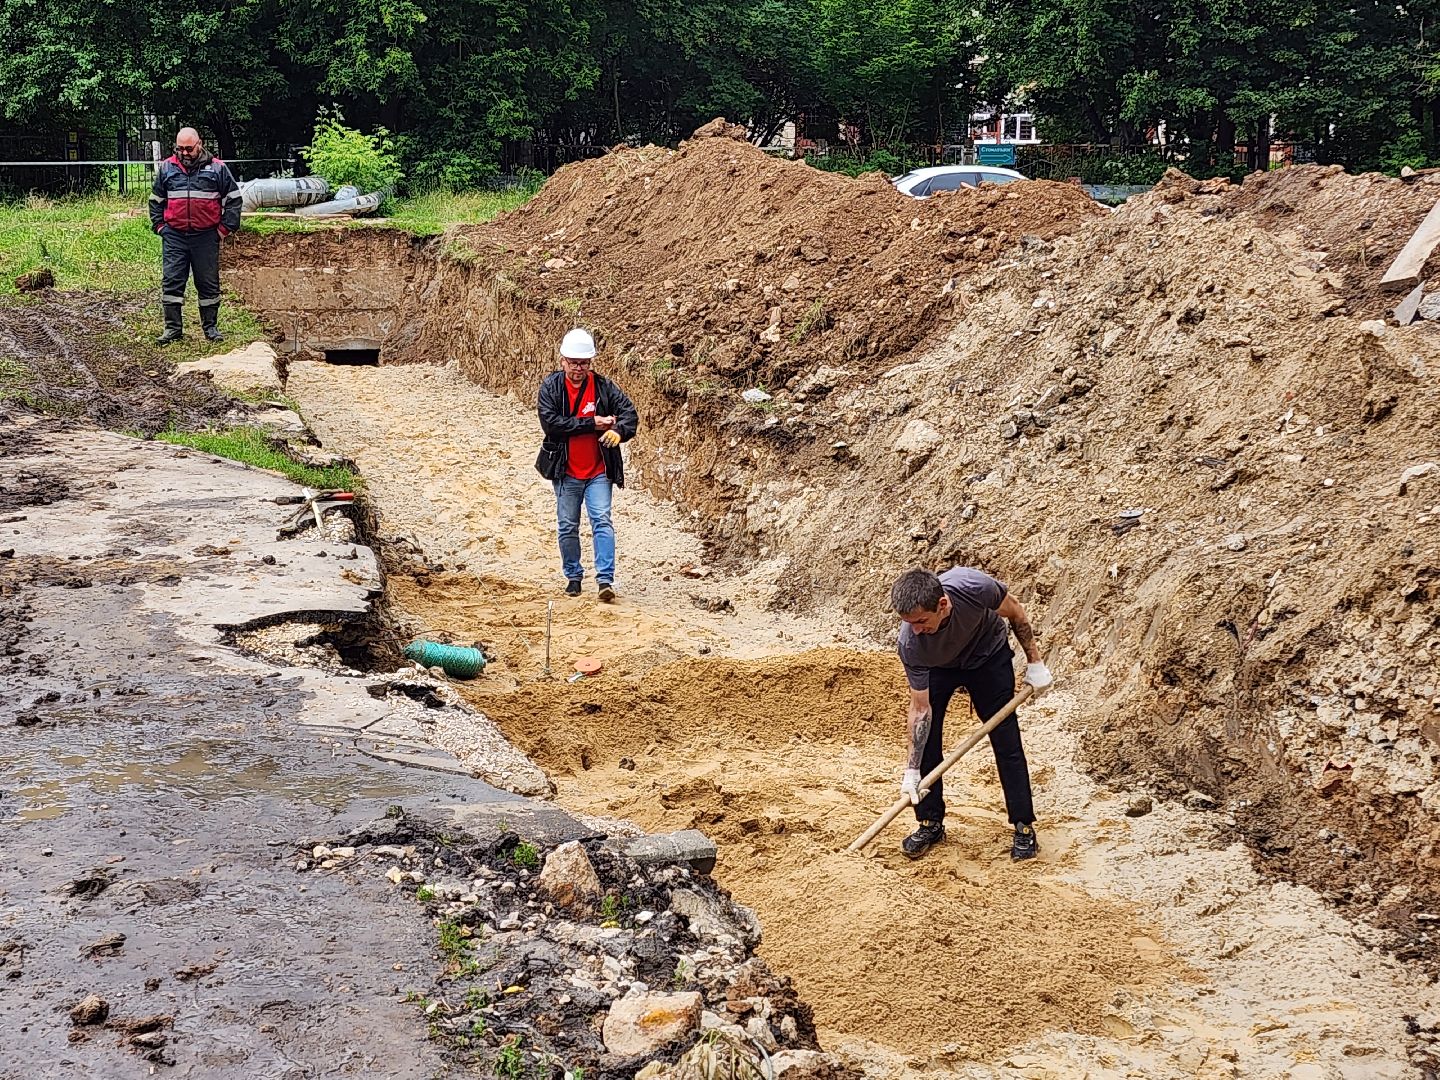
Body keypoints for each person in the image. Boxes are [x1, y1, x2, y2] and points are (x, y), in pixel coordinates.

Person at [890, 566, 1054, 861]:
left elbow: (1015, 610)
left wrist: (1035, 662)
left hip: (987, 656)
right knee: (926, 743)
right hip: (939, 667)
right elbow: (920, 708)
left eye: (920, 621)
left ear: (941, 605)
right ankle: (930, 823)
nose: (915, 628)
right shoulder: (911, 643)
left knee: (1007, 741)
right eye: (908, 623)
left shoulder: (972, 586)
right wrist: (912, 770)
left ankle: (1023, 825)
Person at [535, 328, 640, 599]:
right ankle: (573, 576)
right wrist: (591, 423)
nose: (578, 368)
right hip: (566, 470)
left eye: (583, 363)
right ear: (562, 361)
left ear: (590, 363)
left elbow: (629, 414)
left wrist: (619, 432)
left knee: (602, 521)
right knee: (568, 525)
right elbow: (551, 424)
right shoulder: (551, 387)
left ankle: (605, 580)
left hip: (598, 471)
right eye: (573, 362)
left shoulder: (604, 387)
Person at [149, 127, 242, 345]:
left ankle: (210, 329)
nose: (184, 153)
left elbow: (234, 200)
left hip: (206, 237)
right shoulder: (167, 168)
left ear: (199, 144)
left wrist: (223, 230)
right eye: (180, 149)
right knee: (172, 282)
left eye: (189, 149)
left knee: (208, 284)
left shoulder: (218, 169)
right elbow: (155, 201)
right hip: (175, 237)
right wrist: (160, 227)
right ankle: (172, 329)